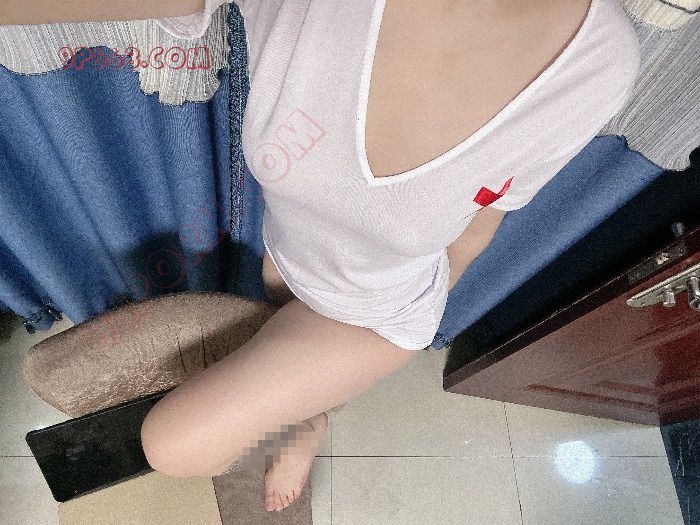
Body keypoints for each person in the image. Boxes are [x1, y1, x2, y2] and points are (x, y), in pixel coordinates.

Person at [2, 0, 640, 513]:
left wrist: (393, 338)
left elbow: (483, 223)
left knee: (176, 446)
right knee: (278, 363)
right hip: (289, 258)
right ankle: (306, 416)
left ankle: (305, 420)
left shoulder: (599, 65)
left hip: (377, 318)